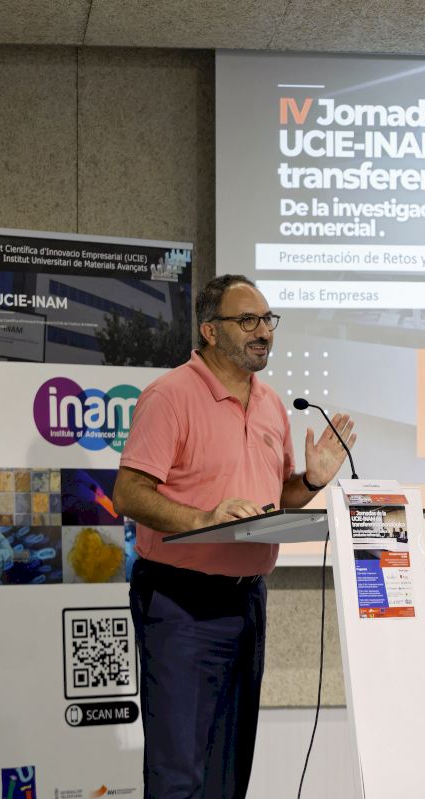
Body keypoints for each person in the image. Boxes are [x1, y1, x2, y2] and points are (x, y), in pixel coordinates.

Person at [113, 274, 355, 799]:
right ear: (210, 330)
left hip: (247, 601)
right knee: (180, 775)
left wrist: (312, 481)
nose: (264, 331)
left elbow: (277, 497)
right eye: (248, 320)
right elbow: (128, 494)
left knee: (229, 772)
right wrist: (204, 519)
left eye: (268, 319)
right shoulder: (170, 396)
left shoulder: (270, 404)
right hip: (180, 602)